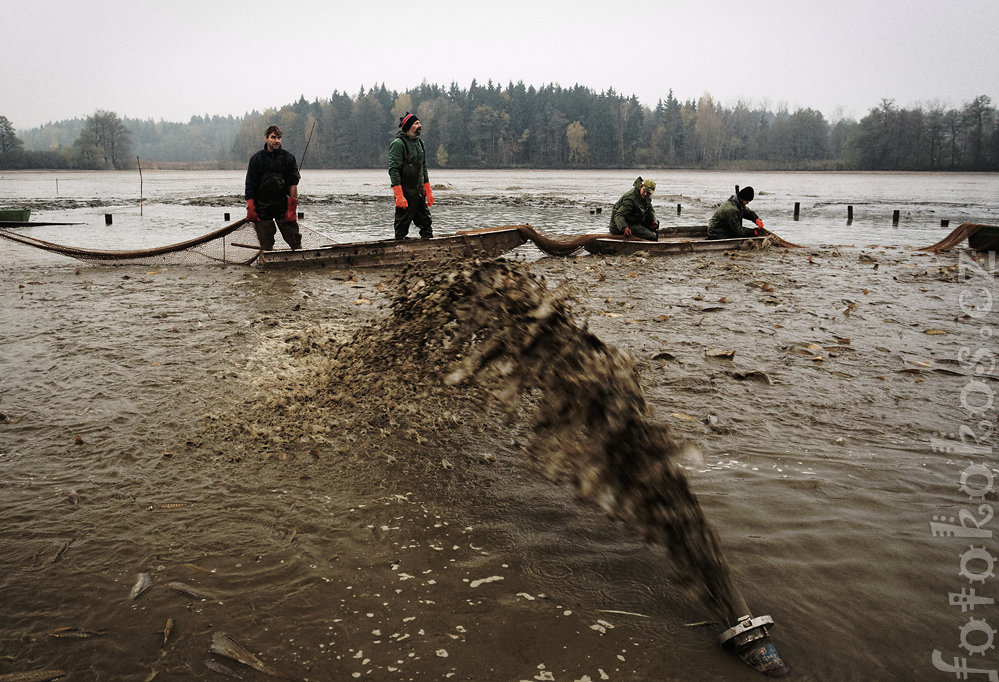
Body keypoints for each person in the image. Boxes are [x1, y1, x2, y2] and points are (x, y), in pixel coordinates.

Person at [245, 125, 301, 250]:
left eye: (279, 138)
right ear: (266, 139)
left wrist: (292, 208)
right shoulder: (256, 159)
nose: (277, 141)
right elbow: (250, 184)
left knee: (295, 242)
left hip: (283, 206)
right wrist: (251, 206)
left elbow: (293, 183)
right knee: (266, 245)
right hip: (262, 208)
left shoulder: (288, 158)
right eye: (273, 137)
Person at [388, 112, 434, 240]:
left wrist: (428, 190)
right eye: (416, 123)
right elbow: (393, 170)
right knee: (401, 228)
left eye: (419, 122)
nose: (420, 125)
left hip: (419, 193)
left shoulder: (420, 143)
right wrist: (398, 195)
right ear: (409, 126)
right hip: (405, 194)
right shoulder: (398, 144)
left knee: (426, 225)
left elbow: (423, 167)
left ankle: (428, 250)